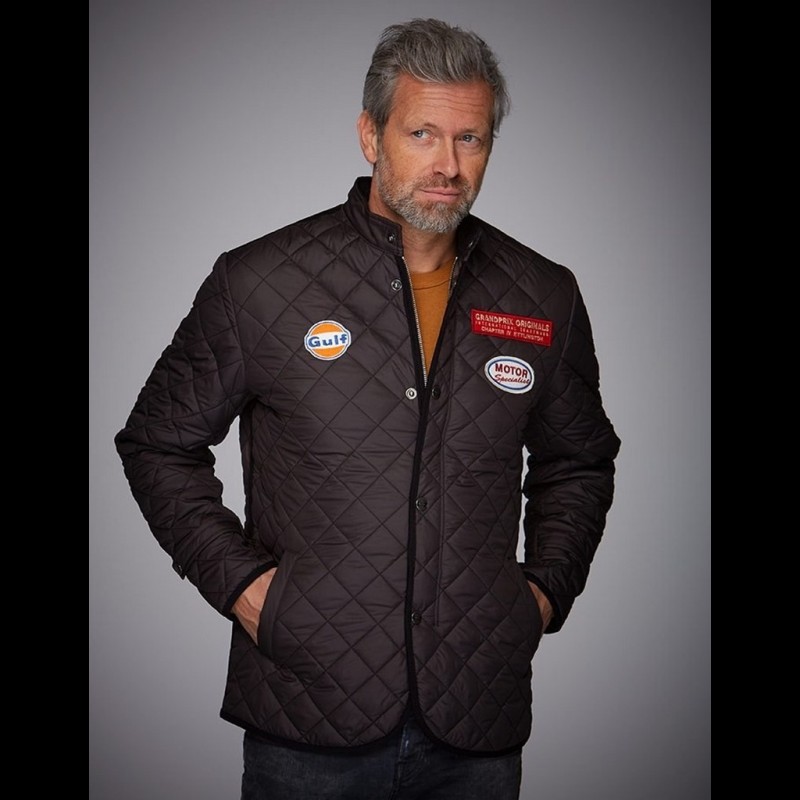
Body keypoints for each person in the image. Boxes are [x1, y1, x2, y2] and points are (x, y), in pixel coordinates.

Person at [115, 17, 620, 800]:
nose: (449, 164)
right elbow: (157, 445)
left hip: (477, 719)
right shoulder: (260, 283)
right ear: (370, 136)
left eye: (471, 138)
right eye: (422, 133)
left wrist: (542, 594)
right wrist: (245, 588)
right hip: (306, 714)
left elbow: (579, 460)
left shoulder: (543, 294)